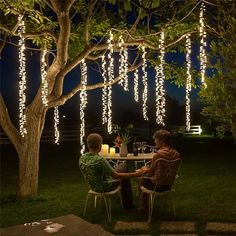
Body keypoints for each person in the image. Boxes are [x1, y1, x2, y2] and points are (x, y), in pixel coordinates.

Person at [79, 133, 148, 209]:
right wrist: (136, 174)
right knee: (124, 168)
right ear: (99, 145)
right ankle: (128, 204)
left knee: (122, 166)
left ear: (88, 145)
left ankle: (128, 203)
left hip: (93, 187)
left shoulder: (82, 159)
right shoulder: (100, 160)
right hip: (107, 186)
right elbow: (116, 176)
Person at [139, 129, 181, 210]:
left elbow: (150, 173)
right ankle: (147, 204)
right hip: (168, 185)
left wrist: (143, 170)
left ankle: (144, 206)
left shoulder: (158, 155)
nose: (154, 142)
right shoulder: (176, 153)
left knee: (142, 177)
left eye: (156, 139)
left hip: (157, 186)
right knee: (145, 176)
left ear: (162, 141)